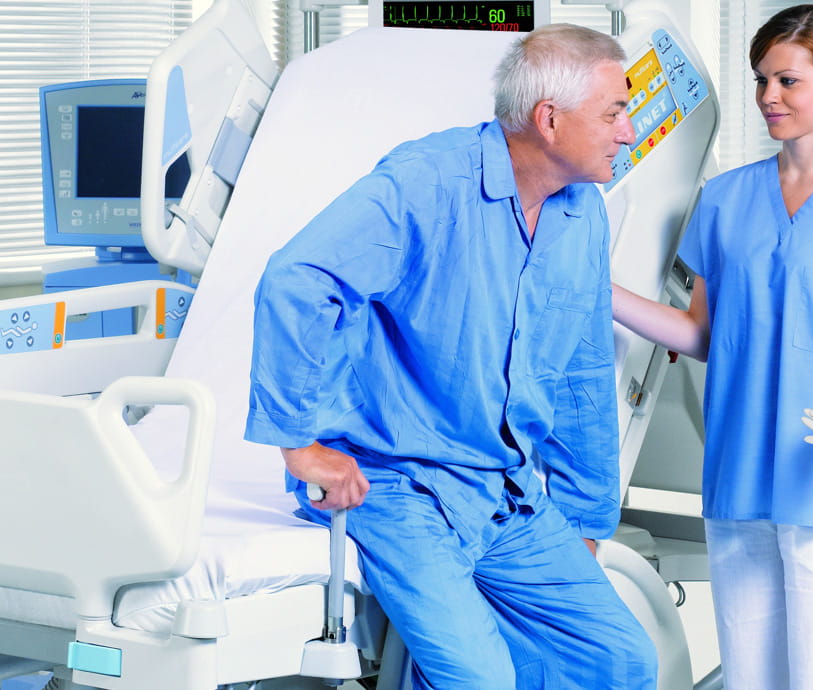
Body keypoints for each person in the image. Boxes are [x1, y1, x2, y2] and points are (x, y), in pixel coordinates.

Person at [244, 23, 657, 690]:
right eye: (614, 113)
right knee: (478, 679)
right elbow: (299, 281)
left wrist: (584, 517)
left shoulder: (582, 212)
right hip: (398, 485)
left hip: (505, 492)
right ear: (549, 120)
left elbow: (581, 370)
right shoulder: (428, 183)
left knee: (620, 660)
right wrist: (299, 446)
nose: (629, 132)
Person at [610, 5, 813, 689]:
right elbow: (703, 334)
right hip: (738, 478)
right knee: (752, 678)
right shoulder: (726, 199)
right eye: (762, 79)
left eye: (788, 81)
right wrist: (599, 290)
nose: (769, 96)